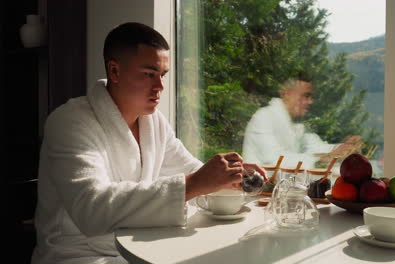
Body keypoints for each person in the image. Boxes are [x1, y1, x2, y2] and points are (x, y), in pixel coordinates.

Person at [32, 22, 264, 264]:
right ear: (114, 71)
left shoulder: (154, 123)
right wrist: (195, 183)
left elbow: (191, 171)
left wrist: (232, 177)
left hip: (134, 247)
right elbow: (91, 207)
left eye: (162, 75)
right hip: (77, 256)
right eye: (149, 74)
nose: (160, 87)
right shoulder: (70, 122)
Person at [242, 78, 361, 169]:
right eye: (305, 96)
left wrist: (343, 148)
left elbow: (316, 147)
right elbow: (274, 161)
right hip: (258, 196)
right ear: (286, 94)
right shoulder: (263, 118)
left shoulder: (296, 125)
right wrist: (324, 158)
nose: (310, 101)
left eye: (311, 96)